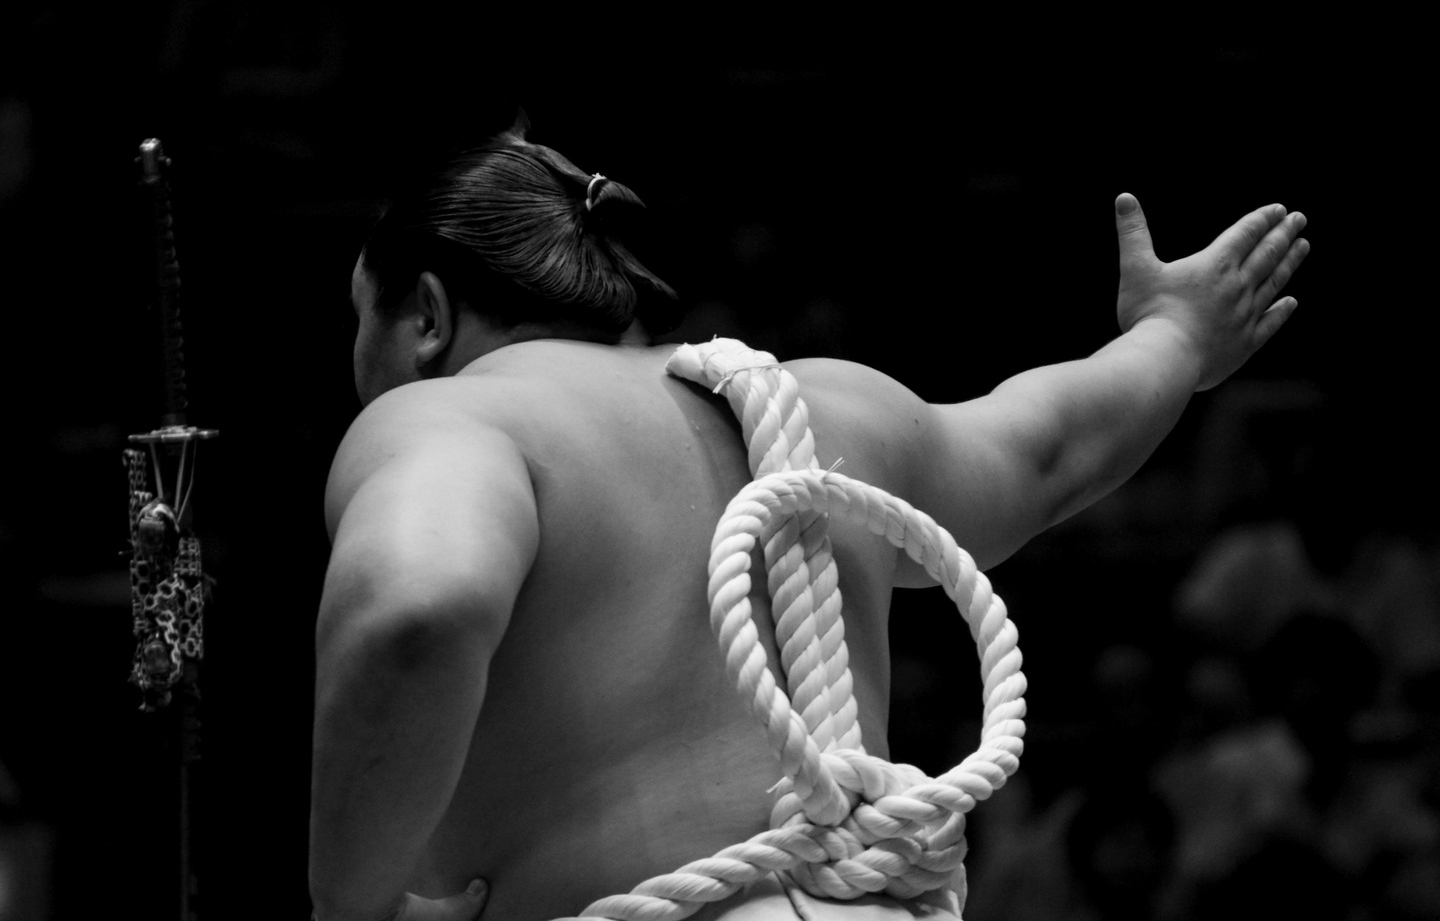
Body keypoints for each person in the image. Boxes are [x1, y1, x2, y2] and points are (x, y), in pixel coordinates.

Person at [308, 119, 1309, 921]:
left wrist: (349, 905)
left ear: (427, 315)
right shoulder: (825, 406)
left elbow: (416, 612)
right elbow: (1045, 453)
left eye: (362, 320)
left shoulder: (449, 416)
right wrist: (1176, 336)